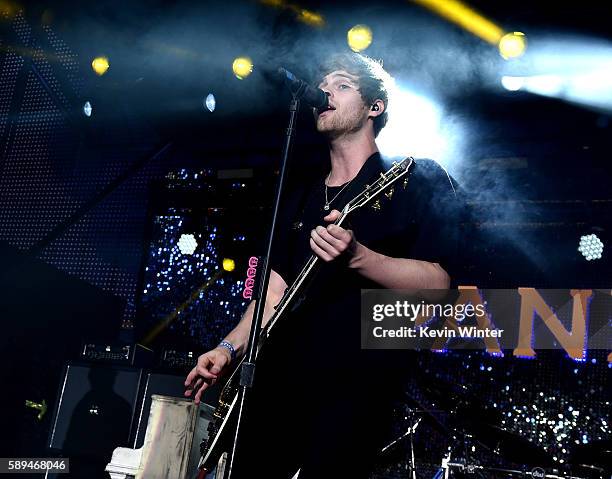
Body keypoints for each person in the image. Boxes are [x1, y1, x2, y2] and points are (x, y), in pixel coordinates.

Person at [185, 52, 460, 478]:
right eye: (324, 84)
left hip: (357, 383)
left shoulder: (414, 179)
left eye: (343, 84)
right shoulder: (297, 197)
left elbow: (440, 285)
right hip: (279, 380)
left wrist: (360, 257)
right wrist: (226, 349)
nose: (325, 91)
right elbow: (272, 294)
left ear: (375, 107)